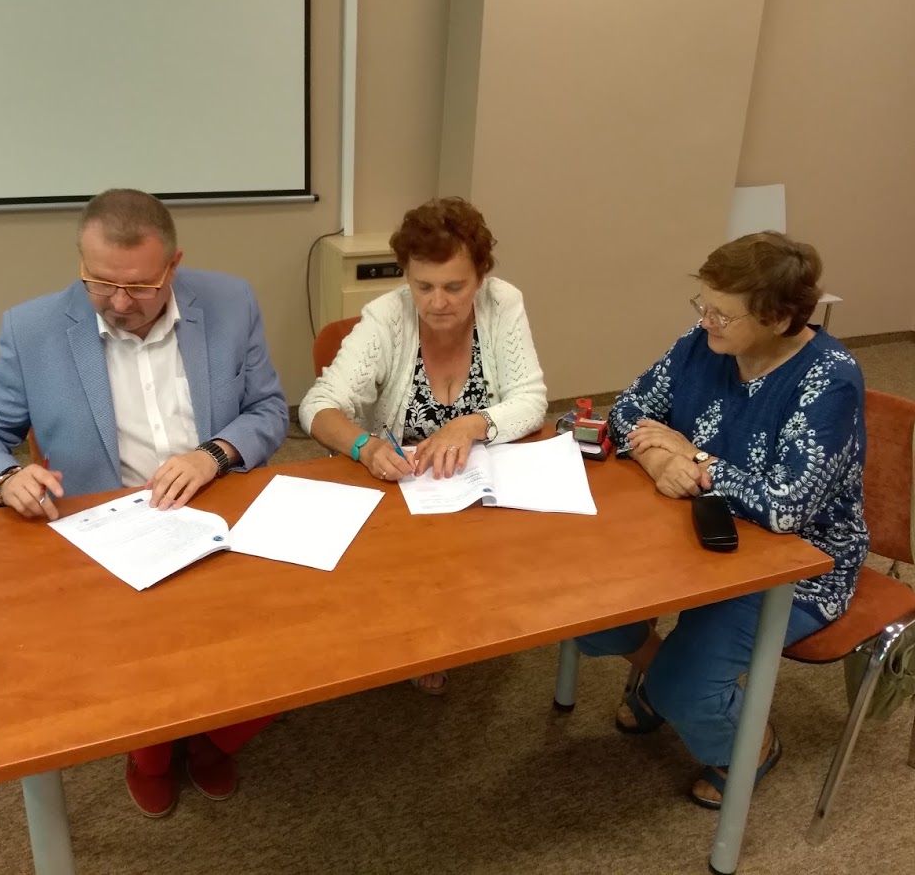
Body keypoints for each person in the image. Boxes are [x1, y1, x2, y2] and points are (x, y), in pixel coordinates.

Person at [0, 188, 289, 818]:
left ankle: (213, 736)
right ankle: (151, 752)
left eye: (139, 286)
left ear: (173, 265)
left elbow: (268, 409)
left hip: (222, 511)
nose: (120, 303)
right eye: (101, 283)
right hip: (109, 531)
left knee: (295, 643)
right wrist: (4, 477)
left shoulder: (231, 301)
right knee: (134, 662)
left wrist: (214, 454)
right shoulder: (34, 328)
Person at [573, 231, 868, 809]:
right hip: (689, 527)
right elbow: (629, 411)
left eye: (722, 314)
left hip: (797, 565)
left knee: (684, 685)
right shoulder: (703, 343)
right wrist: (659, 458)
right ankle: (666, 680)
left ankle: (748, 744)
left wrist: (694, 456)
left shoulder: (829, 380)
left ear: (778, 318)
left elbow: (785, 507)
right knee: (582, 608)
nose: (705, 321)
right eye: (702, 305)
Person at [300, 196, 548, 693]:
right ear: (407, 278)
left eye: (455, 287)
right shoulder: (386, 318)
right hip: (406, 489)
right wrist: (365, 447)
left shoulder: (503, 304)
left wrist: (472, 424)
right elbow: (317, 405)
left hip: (480, 483)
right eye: (423, 286)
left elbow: (532, 399)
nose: (437, 302)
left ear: (480, 277)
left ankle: (458, 615)